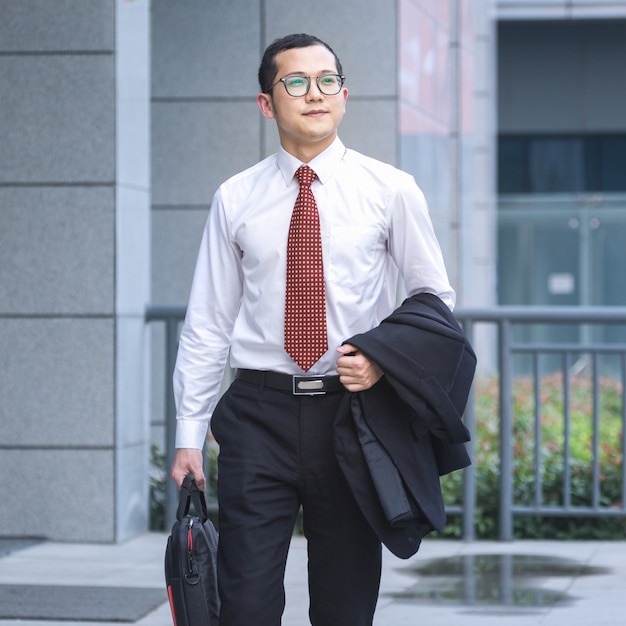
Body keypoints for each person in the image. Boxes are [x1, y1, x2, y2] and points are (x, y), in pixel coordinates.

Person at [170, 32, 455, 626]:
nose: (314, 93)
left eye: (327, 81)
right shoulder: (236, 198)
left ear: (344, 95)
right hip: (258, 414)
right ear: (267, 104)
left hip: (353, 416)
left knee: (343, 607)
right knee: (244, 605)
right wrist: (189, 433)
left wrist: (381, 357)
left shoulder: (390, 189)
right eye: (295, 82)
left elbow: (434, 297)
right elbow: (208, 323)